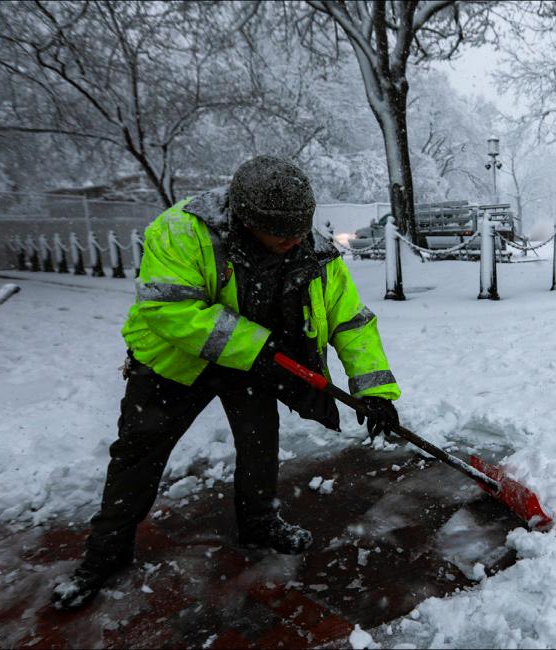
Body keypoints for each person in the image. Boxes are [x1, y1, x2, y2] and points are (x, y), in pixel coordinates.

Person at [52, 156, 401, 611]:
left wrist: (374, 390)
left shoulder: (313, 252)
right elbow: (167, 308)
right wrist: (255, 346)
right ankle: (104, 554)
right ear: (247, 221)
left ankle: (259, 521)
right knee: (139, 453)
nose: (295, 241)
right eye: (282, 234)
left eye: (300, 230)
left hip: (253, 363)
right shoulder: (181, 230)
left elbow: (350, 320)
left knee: (260, 443)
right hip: (173, 364)